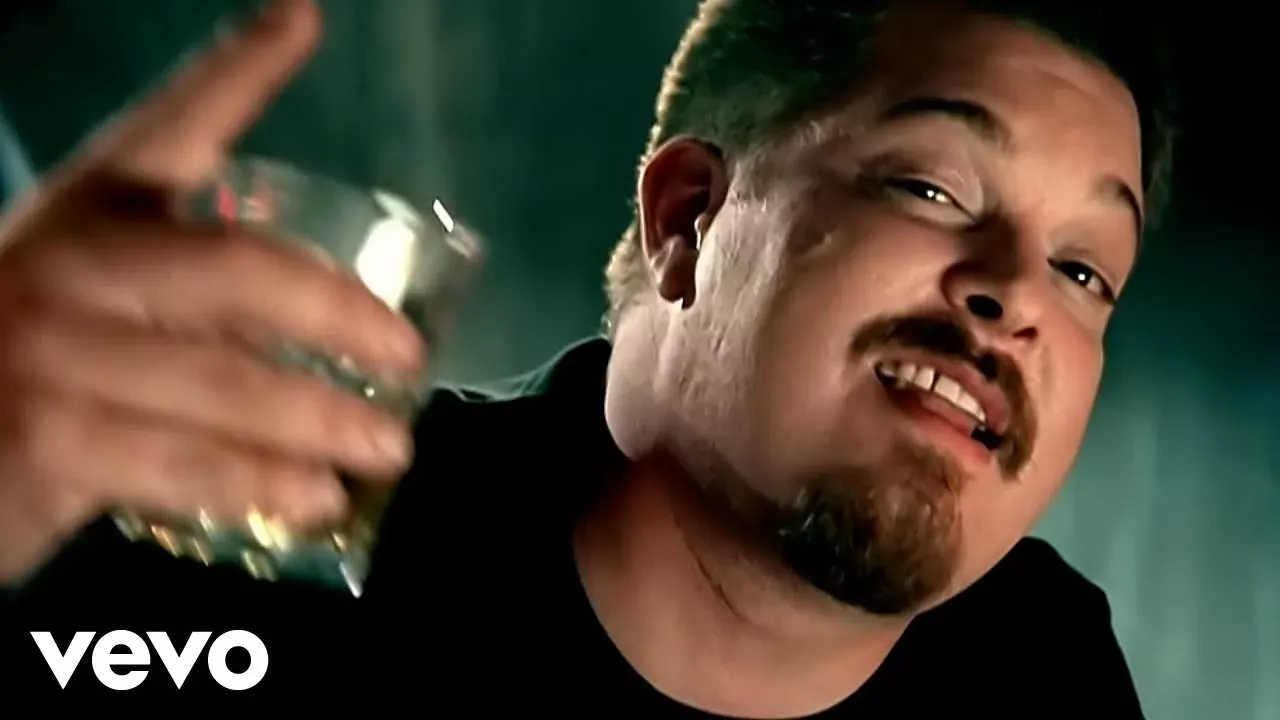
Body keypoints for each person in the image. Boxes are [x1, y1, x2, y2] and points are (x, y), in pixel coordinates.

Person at [0, 0, 1174, 715]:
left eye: (1083, 270)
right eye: (928, 187)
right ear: (685, 220)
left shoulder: (1042, 667)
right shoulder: (279, 546)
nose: (1016, 292)